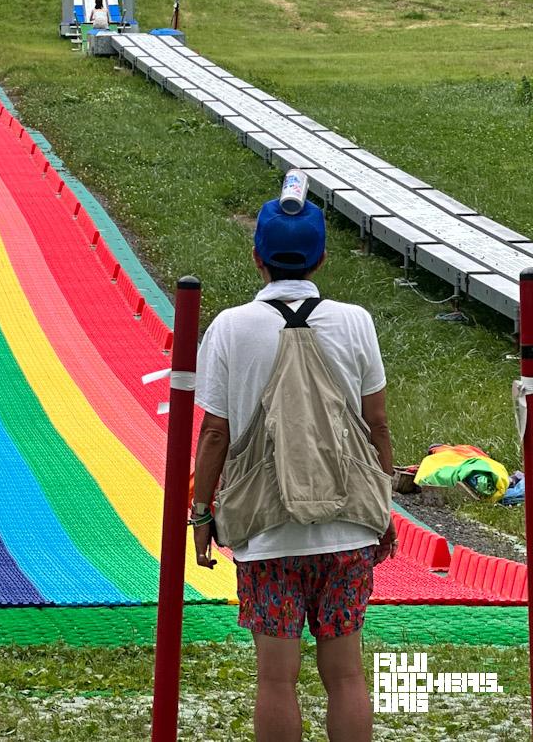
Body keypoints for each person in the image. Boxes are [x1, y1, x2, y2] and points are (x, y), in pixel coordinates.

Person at [191, 198, 396, 742]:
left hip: (267, 532)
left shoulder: (231, 328)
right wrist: (384, 506)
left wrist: (202, 513)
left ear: (257, 258)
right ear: (322, 259)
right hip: (348, 525)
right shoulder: (357, 322)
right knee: (348, 674)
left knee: (276, 681)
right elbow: (376, 425)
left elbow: (215, 432)